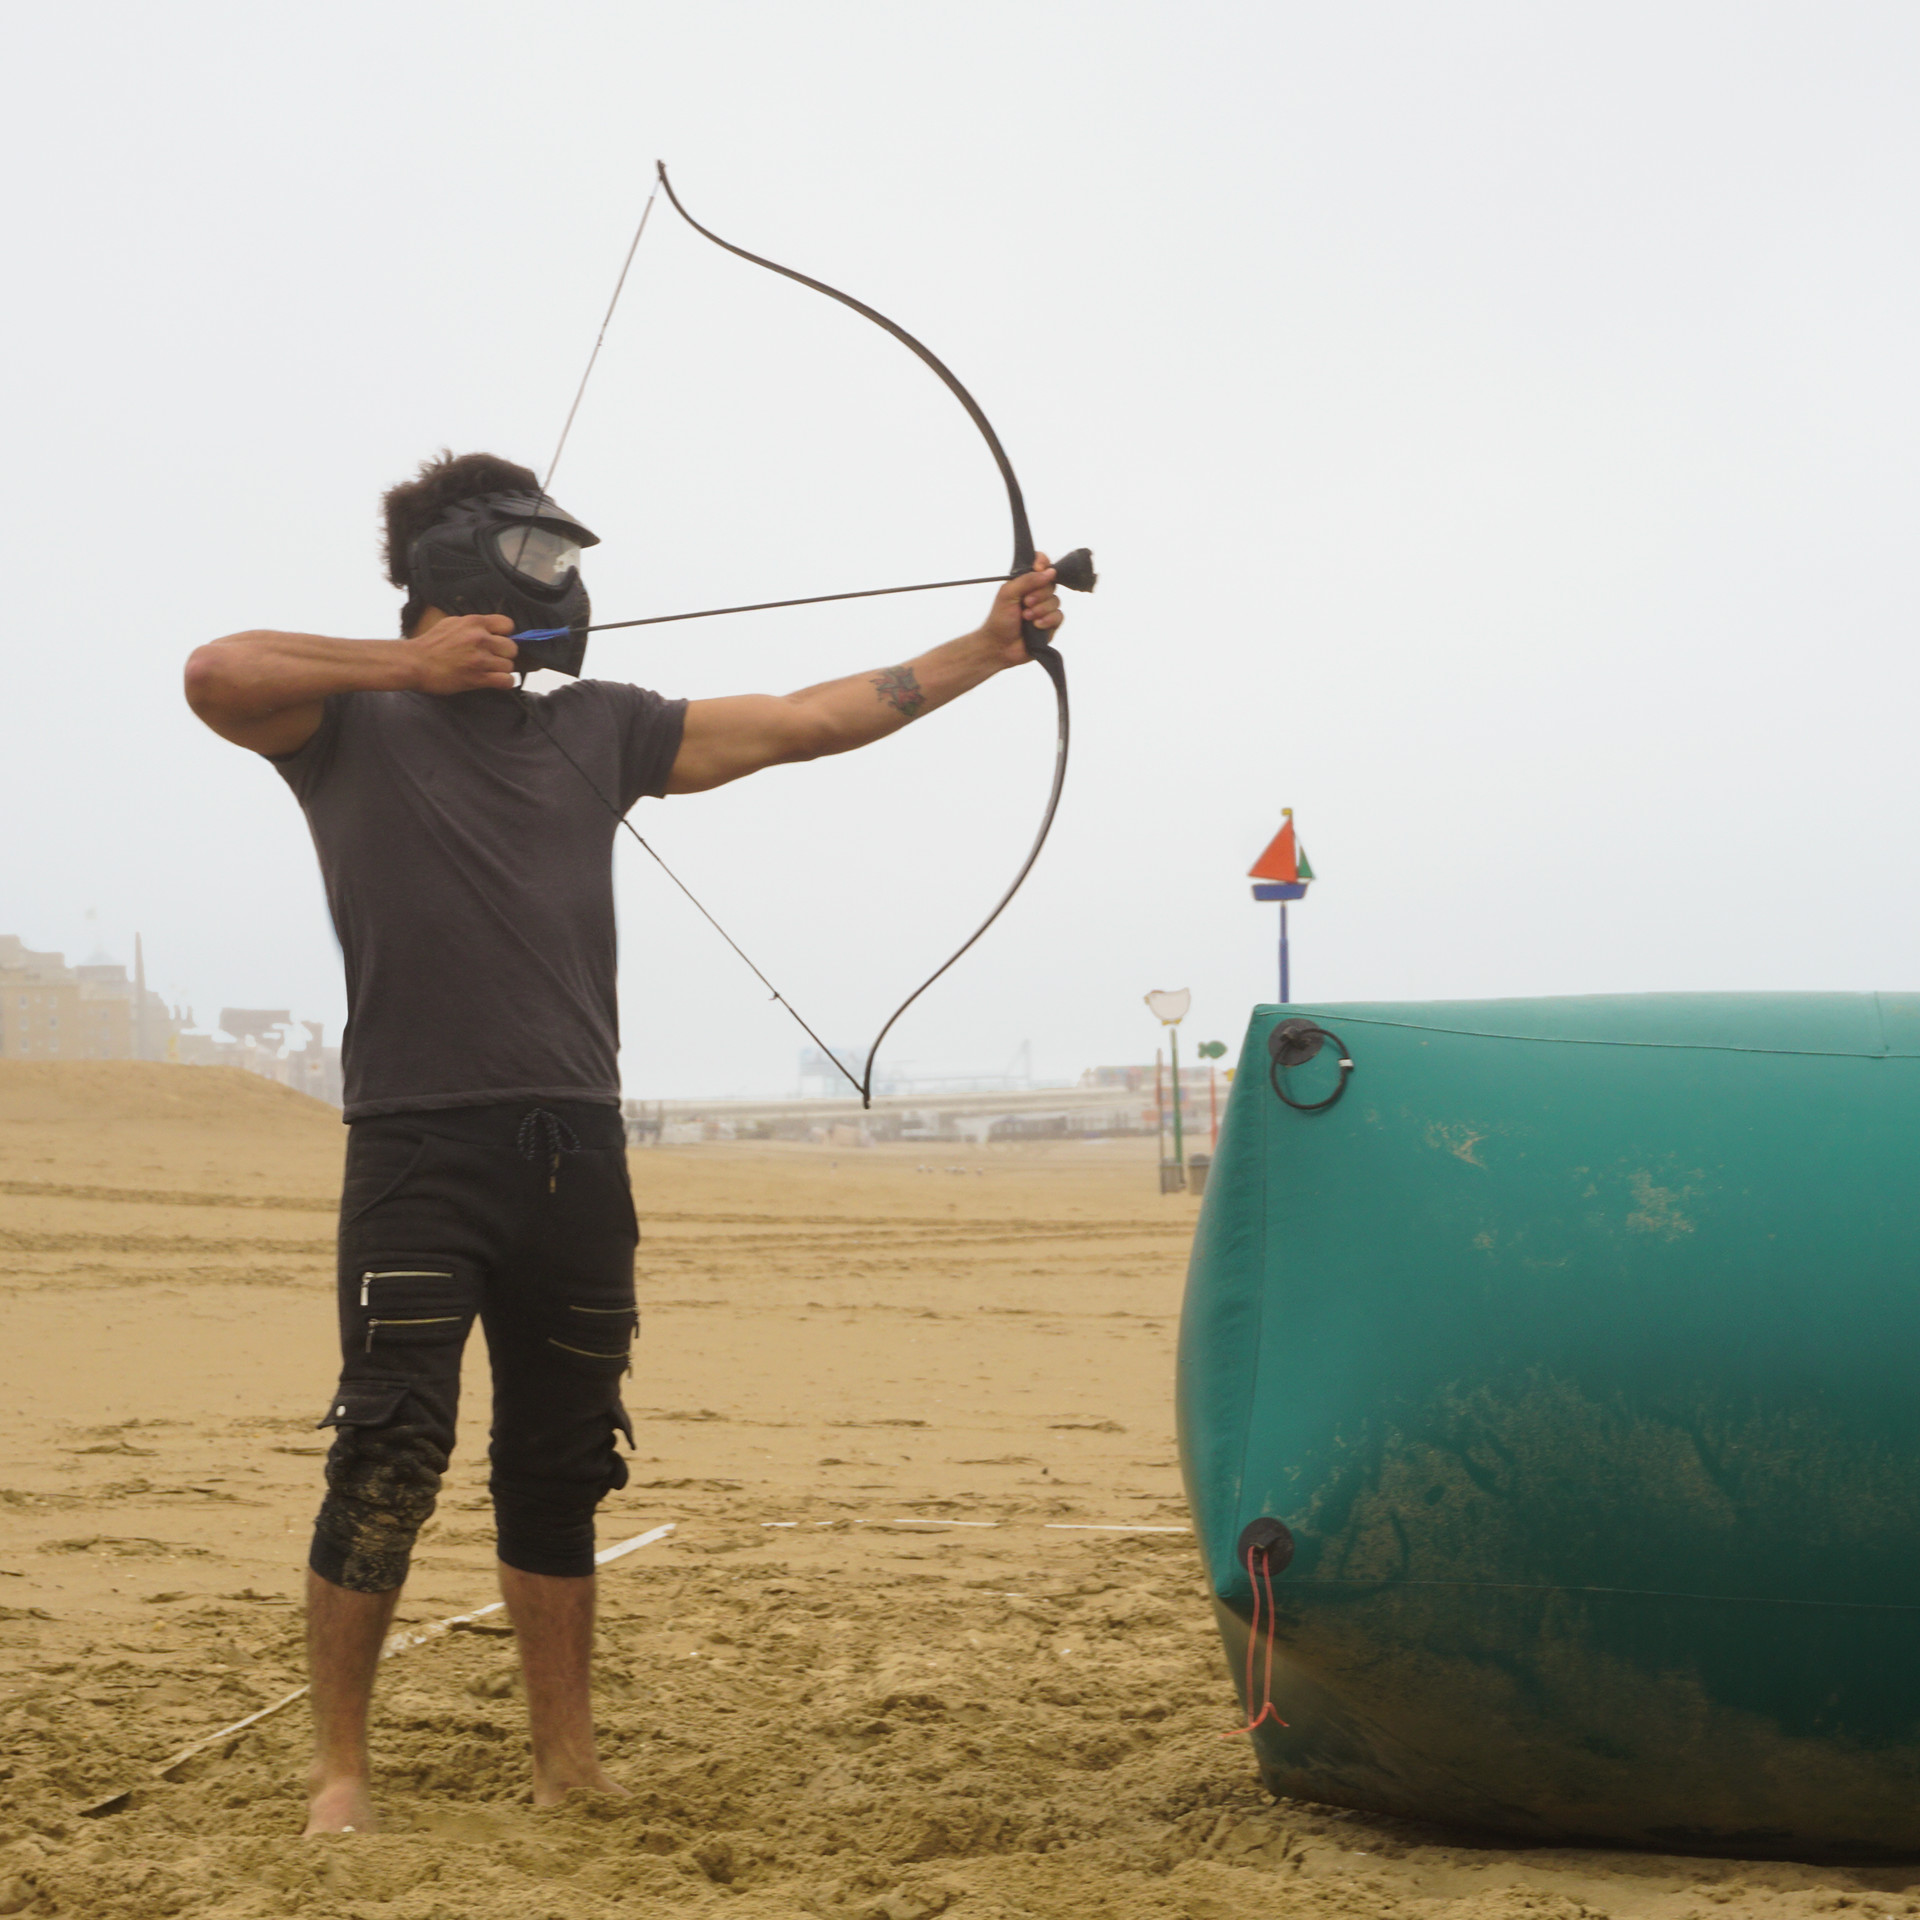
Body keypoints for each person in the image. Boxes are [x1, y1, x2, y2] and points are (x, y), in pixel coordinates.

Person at [182, 450, 1066, 1835]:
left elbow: (806, 720)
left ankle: (566, 1765)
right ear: (452, 583)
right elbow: (215, 671)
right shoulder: (345, 726)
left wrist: (987, 647)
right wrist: (403, 669)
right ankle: (341, 1772)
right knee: (387, 1449)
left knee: (562, 1456)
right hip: (417, 1146)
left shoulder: (596, 726)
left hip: (576, 1154)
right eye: (530, 569)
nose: (562, 595)